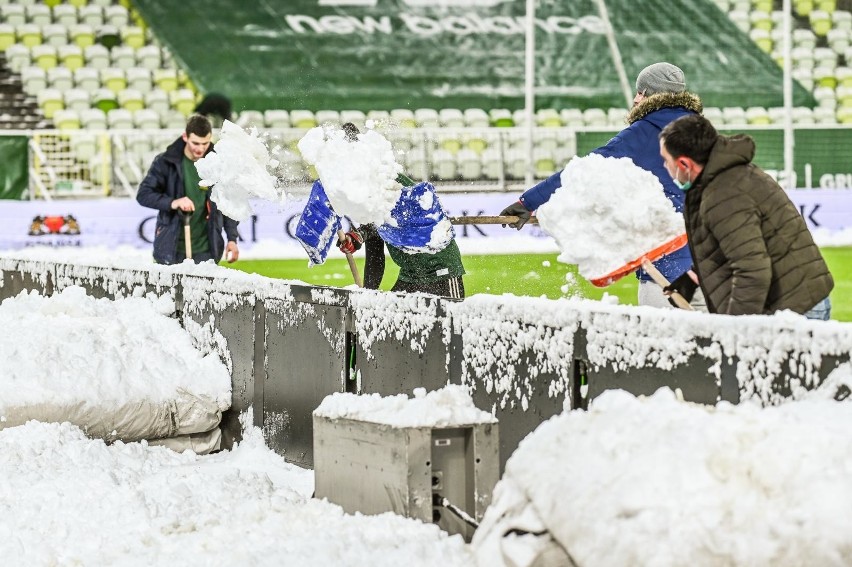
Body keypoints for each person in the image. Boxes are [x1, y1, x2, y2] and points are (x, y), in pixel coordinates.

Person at [500, 62, 704, 309]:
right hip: (713, 264)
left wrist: (528, 202)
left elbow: (584, 172)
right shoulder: (704, 131)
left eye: (641, 92)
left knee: (660, 344)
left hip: (667, 266)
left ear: (653, 95)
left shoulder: (641, 133)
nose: (637, 98)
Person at [658, 113, 834, 319]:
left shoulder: (723, 195)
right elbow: (729, 246)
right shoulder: (723, 178)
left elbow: (752, 272)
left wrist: (736, 332)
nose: (664, 166)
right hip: (796, 300)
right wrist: (692, 277)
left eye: (666, 160)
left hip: (793, 309)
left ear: (685, 164)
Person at [336, 122, 466, 299]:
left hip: (439, 269)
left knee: (447, 326)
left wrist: (360, 235)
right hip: (410, 274)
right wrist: (366, 295)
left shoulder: (390, 180)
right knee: (385, 321)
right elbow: (375, 254)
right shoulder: (364, 193)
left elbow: (391, 220)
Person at [136, 114, 240, 265]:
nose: (200, 148)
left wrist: (232, 239)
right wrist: (173, 202)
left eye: (205, 143)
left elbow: (228, 202)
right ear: (185, 137)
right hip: (171, 248)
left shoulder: (218, 164)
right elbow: (143, 195)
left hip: (207, 248)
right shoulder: (165, 162)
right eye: (195, 143)